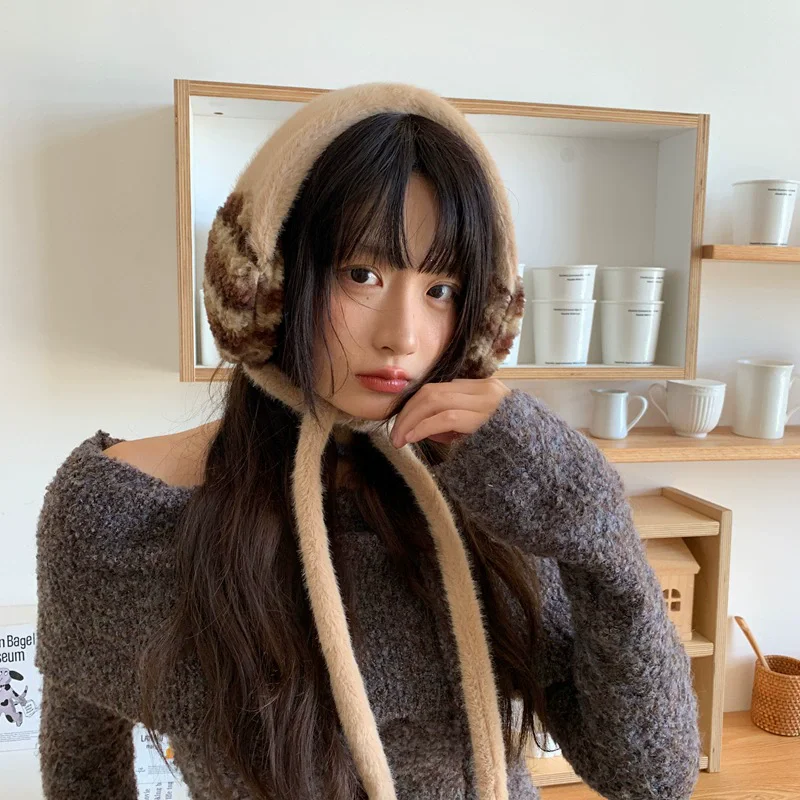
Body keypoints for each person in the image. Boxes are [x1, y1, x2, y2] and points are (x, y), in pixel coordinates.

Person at [34, 81, 701, 800]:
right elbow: (84, 771)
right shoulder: (124, 512)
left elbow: (651, 777)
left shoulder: (500, 483)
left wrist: (598, 527)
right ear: (269, 280)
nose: (403, 336)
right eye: (362, 274)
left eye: (442, 289)